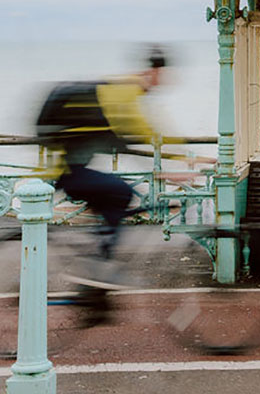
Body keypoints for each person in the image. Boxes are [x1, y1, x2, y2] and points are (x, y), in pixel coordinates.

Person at [36, 44, 189, 263]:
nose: (163, 80)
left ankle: (99, 257)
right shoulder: (125, 91)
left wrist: (176, 162)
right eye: (162, 74)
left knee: (113, 197)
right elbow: (144, 131)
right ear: (155, 72)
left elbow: (134, 136)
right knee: (122, 192)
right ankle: (100, 263)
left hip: (68, 168)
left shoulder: (118, 86)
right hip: (68, 172)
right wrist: (179, 162)